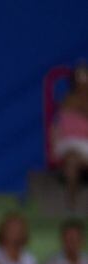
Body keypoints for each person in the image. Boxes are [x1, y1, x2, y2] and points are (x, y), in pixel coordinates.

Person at [52, 62, 88, 207]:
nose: (83, 81)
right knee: (72, 160)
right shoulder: (68, 100)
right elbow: (56, 126)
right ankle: (71, 197)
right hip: (70, 143)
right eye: (79, 78)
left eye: (85, 77)